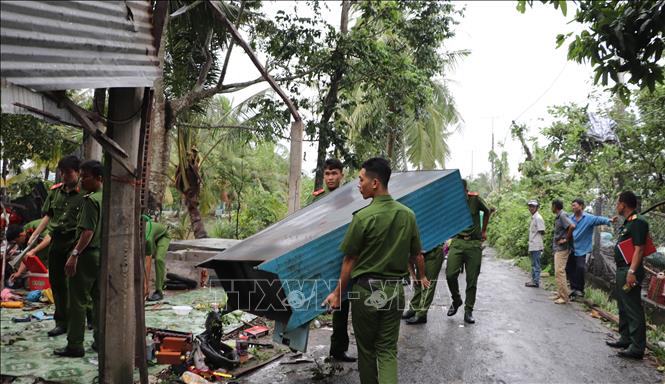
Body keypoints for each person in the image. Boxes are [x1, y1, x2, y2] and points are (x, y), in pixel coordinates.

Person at [321, 157, 428, 384]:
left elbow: (349, 260)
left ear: (375, 183)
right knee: (388, 351)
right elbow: (416, 252)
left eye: (361, 180)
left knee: (367, 352)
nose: (358, 184)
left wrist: (338, 293)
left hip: (366, 293)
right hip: (394, 292)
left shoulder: (362, 218)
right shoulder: (408, 215)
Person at [28, 155, 84, 337]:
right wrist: (35, 234)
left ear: (77, 173)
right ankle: (61, 322)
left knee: (75, 285)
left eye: (67, 172)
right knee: (57, 283)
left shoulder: (85, 194)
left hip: (75, 241)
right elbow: (49, 215)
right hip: (57, 242)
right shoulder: (55, 192)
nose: (64, 176)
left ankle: (84, 319)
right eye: (62, 172)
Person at [307, 159, 355, 362]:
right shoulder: (317, 199)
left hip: (343, 255)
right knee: (309, 297)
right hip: (321, 255)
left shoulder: (350, 198)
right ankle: (295, 341)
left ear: (342, 175)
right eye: (327, 174)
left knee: (342, 303)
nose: (330, 178)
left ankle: (338, 349)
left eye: (334, 173)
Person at [54, 160, 103, 357]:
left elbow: (87, 232)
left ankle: (75, 345)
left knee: (77, 302)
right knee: (99, 300)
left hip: (86, 254)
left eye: (86, 176)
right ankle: (100, 341)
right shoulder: (107, 198)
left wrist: (74, 254)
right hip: (102, 255)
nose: (82, 179)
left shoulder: (91, 201)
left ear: (98, 178)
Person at [605, 191, 647, 359]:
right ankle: (625, 338)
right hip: (622, 269)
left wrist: (632, 271)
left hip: (630, 271)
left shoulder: (638, 222)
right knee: (623, 305)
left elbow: (640, 249)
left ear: (623, 204)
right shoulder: (629, 222)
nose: (616, 206)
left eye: (618, 203)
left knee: (632, 307)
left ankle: (637, 348)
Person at [445, 179, 491, 324]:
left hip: (473, 243)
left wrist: (483, 230)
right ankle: (456, 299)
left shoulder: (474, 199)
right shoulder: (452, 202)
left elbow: (487, 210)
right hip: (457, 242)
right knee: (450, 274)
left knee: (472, 279)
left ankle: (468, 310)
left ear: (465, 191)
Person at [566, 198, 615, 299]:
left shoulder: (588, 218)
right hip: (572, 248)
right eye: (572, 205)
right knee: (570, 268)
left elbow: (598, 219)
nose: (573, 207)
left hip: (583, 249)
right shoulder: (570, 218)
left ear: (581, 206)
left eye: (575, 205)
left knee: (580, 267)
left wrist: (609, 220)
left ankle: (579, 290)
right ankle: (573, 288)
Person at [7, 219, 52, 285]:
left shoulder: (35, 227)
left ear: (21, 235)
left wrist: (34, 250)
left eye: (17, 241)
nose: (17, 244)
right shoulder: (23, 239)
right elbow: (25, 256)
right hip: (44, 256)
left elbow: (49, 238)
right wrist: (19, 272)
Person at [550, 199, 575, 304]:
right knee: (558, 272)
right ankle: (560, 294)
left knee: (560, 271)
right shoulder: (559, 216)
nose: (551, 208)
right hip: (558, 248)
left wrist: (566, 239)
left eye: (552, 206)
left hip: (562, 248)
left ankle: (564, 297)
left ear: (555, 206)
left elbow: (572, 226)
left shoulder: (563, 215)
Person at [144, 217, 171, 302]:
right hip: (154, 236)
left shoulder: (147, 238)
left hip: (163, 236)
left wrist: (146, 289)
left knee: (159, 259)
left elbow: (147, 263)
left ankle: (159, 291)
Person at [525, 200, 546, 288]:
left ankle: (536, 281)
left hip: (536, 245)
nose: (531, 208)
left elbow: (542, 231)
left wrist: (538, 242)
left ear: (537, 208)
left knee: (536, 264)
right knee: (533, 264)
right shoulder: (533, 217)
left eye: (533, 207)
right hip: (533, 245)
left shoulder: (538, 218)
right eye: (530, 206)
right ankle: (534, 280)